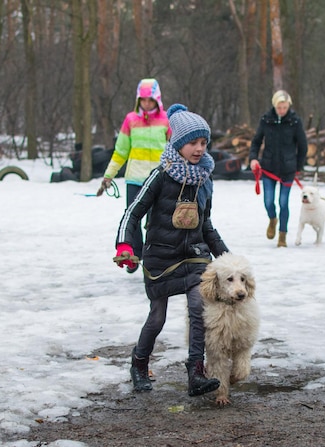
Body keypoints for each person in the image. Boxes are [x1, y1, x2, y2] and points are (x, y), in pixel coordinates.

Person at [113, 103, 228, 396]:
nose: (199, 149)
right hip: (161, 258)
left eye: (203, 142)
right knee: (157, 318)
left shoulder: (205, 179)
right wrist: (126, 245)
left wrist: (227, 258)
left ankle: (196, 373)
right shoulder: (160, 175)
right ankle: (139, 363)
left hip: (194, 256)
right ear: (177, 144)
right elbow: (133, 213)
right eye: (192, 143)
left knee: (198, 307)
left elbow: (207, 224)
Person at [101, 78, 171, 273]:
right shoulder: (130, 120)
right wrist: (109, 175)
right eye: (143, 100)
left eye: (150, 100)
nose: (146, 104)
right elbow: (121, 151)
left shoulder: (166, 120)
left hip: (158, 179)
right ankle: (135, 255)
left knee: (155, 220)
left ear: (157, 100)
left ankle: (154, 256)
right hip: (135, 178)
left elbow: (174, 149)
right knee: (133, 217)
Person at [249, 90, 308, 247]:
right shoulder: (266, 120)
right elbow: (256, 141)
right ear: (274, 106)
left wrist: (298, 166)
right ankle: (272, 219)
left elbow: (303, 145)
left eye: (285, 107)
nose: (282, 110)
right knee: (268, 201)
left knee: (283, 202)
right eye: (279, 107)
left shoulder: (295, 122)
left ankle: (282, 235)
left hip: (288, 169)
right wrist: (253, 158)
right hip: (268, 167)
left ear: (289, 105)